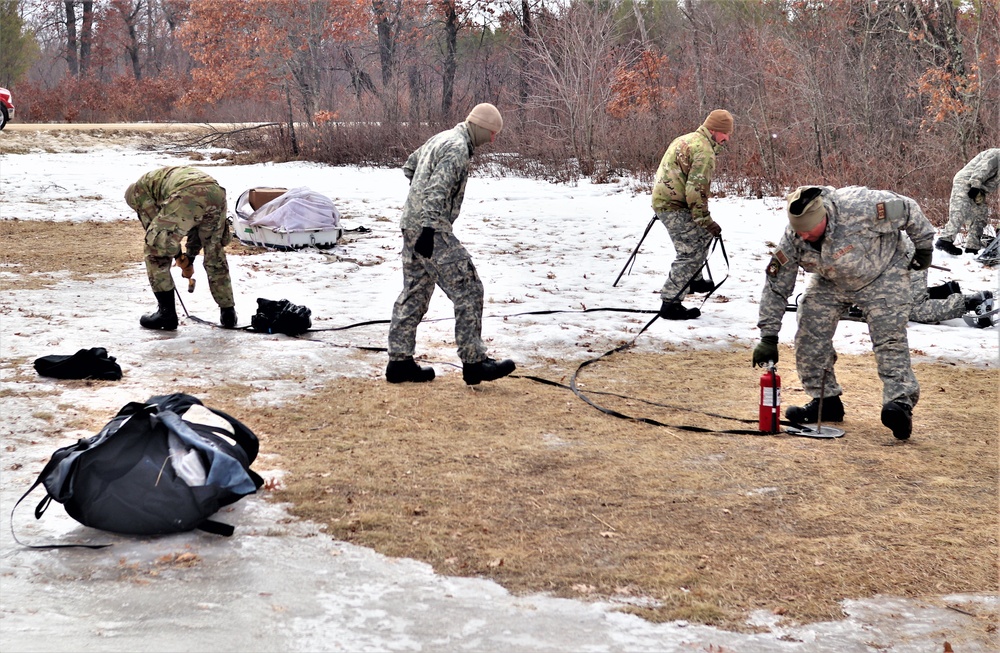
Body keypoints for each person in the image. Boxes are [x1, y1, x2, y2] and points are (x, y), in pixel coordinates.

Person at [752, 185, 936, 440]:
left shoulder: (861, 208)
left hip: (884, 272)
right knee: (809, 325)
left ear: (822, 218)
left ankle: (899, 405)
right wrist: (768, 336)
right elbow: (776, 285)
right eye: (798, 231)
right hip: (832, 280)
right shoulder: (794, 237)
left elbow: (908, 209)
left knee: (889, 338)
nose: (803, 236)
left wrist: (924, 247)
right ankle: (825, 400)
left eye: (807, 230)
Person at [386, 103, 515, 386]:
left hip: (411, 225)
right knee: (469, 288)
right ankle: (474, 362)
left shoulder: (441, 138)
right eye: (492, 133)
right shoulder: (456, 148)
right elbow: (438, 189)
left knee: (415, 291)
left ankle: (399, 362)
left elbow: (411, 166)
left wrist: (417, 208)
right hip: (430, 229)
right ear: (480, 127)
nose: (492, 140)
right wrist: (430, 227)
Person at [125, 166, 237, 330]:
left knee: (155, 253)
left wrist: (178, 256)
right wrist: (188, 258)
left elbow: (160, 240)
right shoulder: (157, 181)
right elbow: (196, 227)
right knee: (215, 253)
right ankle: (228, 313)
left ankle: (166, 314)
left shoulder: (139, 192)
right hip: (215, 191)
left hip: (187, 192)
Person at [650, 109, 733, 320]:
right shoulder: (704, 151)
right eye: (725, 133)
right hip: (674, 205)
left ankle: (695, 279)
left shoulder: (686, 139)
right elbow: (696, 191)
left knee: (703, 236)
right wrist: (705, 220)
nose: (727, 138)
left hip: (669, 201)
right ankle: (670, 302)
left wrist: (704, 225)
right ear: (714, 130)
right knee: (689, 252)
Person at [935, 148, 1000, 255]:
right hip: (966, 181)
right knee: (960, 210)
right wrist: (975, 185)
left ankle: (972, 247)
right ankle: (945, 240)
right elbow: (982, 169)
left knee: (980, 215)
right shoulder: (996, 154)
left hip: (981, 187)